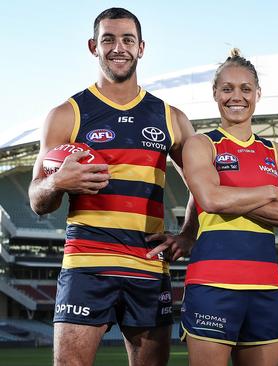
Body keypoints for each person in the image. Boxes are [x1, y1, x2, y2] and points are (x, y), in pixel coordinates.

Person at [28, 8, 196, 366]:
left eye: (127, 40)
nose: (118, 48)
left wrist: (188, 234)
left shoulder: (171, 117)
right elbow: (36, 199)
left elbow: (204, 182)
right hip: (86, 265)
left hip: (148, 266)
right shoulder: (67, 114)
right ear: (93, 46)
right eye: (108, 39)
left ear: (141, 48)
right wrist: (59, 181)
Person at [179, 49, 278, 366]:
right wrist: (268, 191)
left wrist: (229, 193)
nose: (237, 97)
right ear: (215, 94)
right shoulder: (201, 144)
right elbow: (210, 199)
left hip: (265, 286)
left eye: (246, 88)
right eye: (228, 88)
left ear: (258, 94)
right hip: (211, 283)